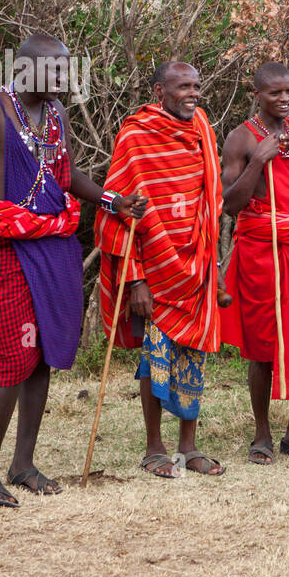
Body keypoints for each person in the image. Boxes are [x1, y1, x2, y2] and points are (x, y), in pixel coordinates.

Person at [0, 34, 145, 507]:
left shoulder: (56, 116)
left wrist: (113, 201)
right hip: (3, 248)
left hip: (54, 244)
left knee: (42, 356)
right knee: (10, 362)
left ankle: (23, 464)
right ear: (25, 69)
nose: (64, 80)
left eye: (66, 71)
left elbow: (65, 176)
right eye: (55, 71)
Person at [95, 61, 225, 479]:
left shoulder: (203, 126)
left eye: (197, 86)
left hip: (197, 262)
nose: (193, 93)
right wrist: (135, 279)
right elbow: (118, 208)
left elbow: (211, 198)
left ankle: (188, 446)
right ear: (160, 91)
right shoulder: (135, 135)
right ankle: (155, 448)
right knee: (155, 358)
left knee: (196, 354)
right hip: (153, 267)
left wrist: (212, 262)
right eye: (183, 86)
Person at [221, 62, 289, 465]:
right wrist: (258, 162)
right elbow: (229, 204)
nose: (284, 99)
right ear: (257, 95)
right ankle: (262, 434)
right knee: (262, 343)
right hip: (261, 249)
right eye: (275, 93)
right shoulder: (241, 138)